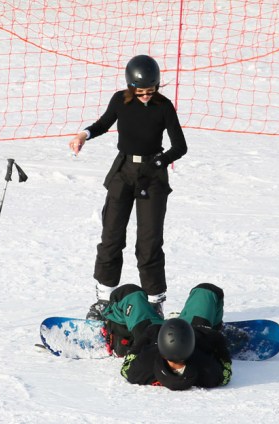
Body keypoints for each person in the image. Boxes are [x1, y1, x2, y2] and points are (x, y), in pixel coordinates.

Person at [68, 55, 188, 320]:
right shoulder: (120, 101)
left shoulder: (164, 106)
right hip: (123, 171)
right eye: (140, 92)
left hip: (153, 176)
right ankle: (103, 301)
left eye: (151, 91)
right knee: (111, 236)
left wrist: (161, 160)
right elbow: (102, 124)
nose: (146, 96)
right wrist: (83, 135)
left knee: (149, 242)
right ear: (131, 87)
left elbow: (180, 146)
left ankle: (154, 301)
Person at [101, 283, 232, 390]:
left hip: (149, 333)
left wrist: (139, 344)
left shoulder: (144, 366)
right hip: (194, 331)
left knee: (128, 293)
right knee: (207, 291)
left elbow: (126, 367)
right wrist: (213, 338)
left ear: (162, 352)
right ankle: (178, 318)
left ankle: (119, 334)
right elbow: (225, 371)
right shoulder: (207, 369)